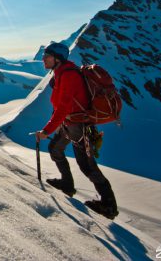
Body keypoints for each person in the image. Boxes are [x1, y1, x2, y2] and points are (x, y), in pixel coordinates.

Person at [34, 42, 118, 220]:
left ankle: (108, 205)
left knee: (87, 165)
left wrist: (47, 130)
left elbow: (63, 107)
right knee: (55, 149)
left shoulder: (69, 75)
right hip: (69, 122)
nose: (43, 58)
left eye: (47, 56)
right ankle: (67, 184)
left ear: (58, 58)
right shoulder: (60, 73)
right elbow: (61, 106)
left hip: (78, 125)